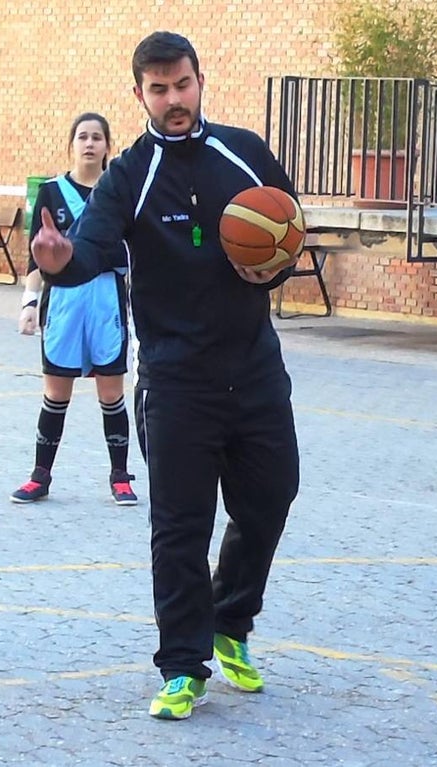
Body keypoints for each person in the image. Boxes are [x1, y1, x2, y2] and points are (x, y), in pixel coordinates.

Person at [30, 32, 302, 720]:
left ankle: (230, 620)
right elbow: (90, 251)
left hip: (255, 369)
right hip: (177, 380)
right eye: (159, 90)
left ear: (199, 81)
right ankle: (182, 666)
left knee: (272, 497)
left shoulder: (245, 152)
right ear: (140, 95)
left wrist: (273, 268)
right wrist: (58, 262)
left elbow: (289, 233)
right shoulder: (129, 175)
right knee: (181, 526)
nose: (173, 99)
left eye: (182, 84)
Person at [10, 112, 137, 507]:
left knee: (111, 391)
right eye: (82, 136)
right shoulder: (52, 192)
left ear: (108, 146)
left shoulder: (119, 193)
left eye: (97, 137)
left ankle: (120, 477)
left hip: (105, 296)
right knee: (55, 391)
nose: (90, 143)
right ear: (71, 145)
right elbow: (36, 256)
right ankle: (40, 475)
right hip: (63, 299)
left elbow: (136, 251)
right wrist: (29, 303)